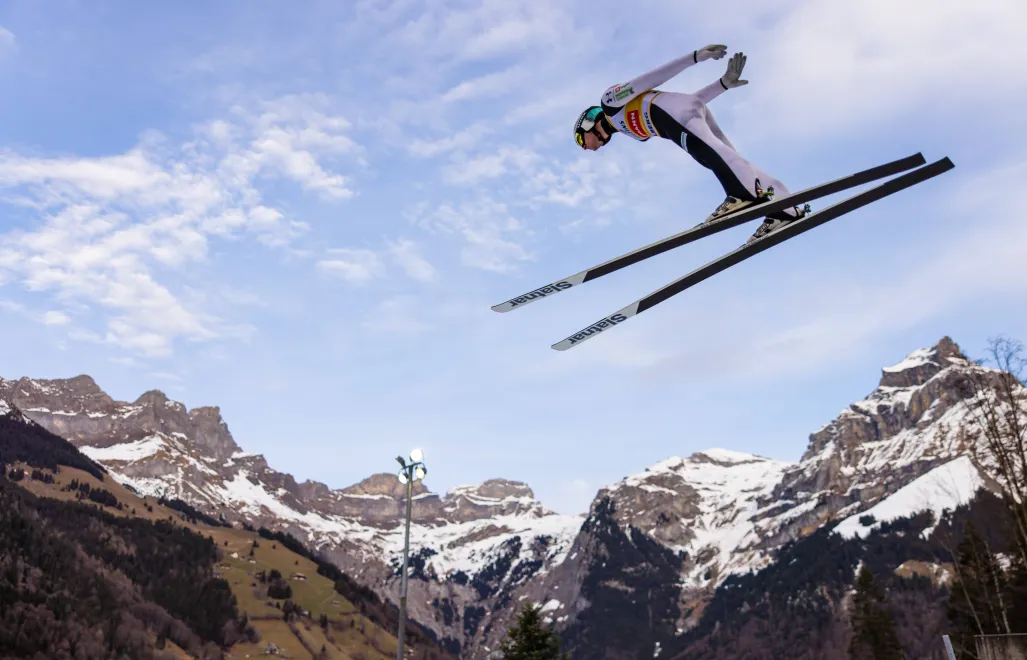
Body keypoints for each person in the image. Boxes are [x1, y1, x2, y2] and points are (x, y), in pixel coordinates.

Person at [573, 45, 808, 243]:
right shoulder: (632, 132)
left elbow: (651, 79)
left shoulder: (609, 103)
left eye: (581, 140)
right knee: (728, 159)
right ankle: (785, 209)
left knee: (715, 156)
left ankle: (741, 195)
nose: (585, 147)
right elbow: (687, 102)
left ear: (588, 125)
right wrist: (722, 85)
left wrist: (695, 57)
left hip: (677, 117)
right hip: (686, 112)